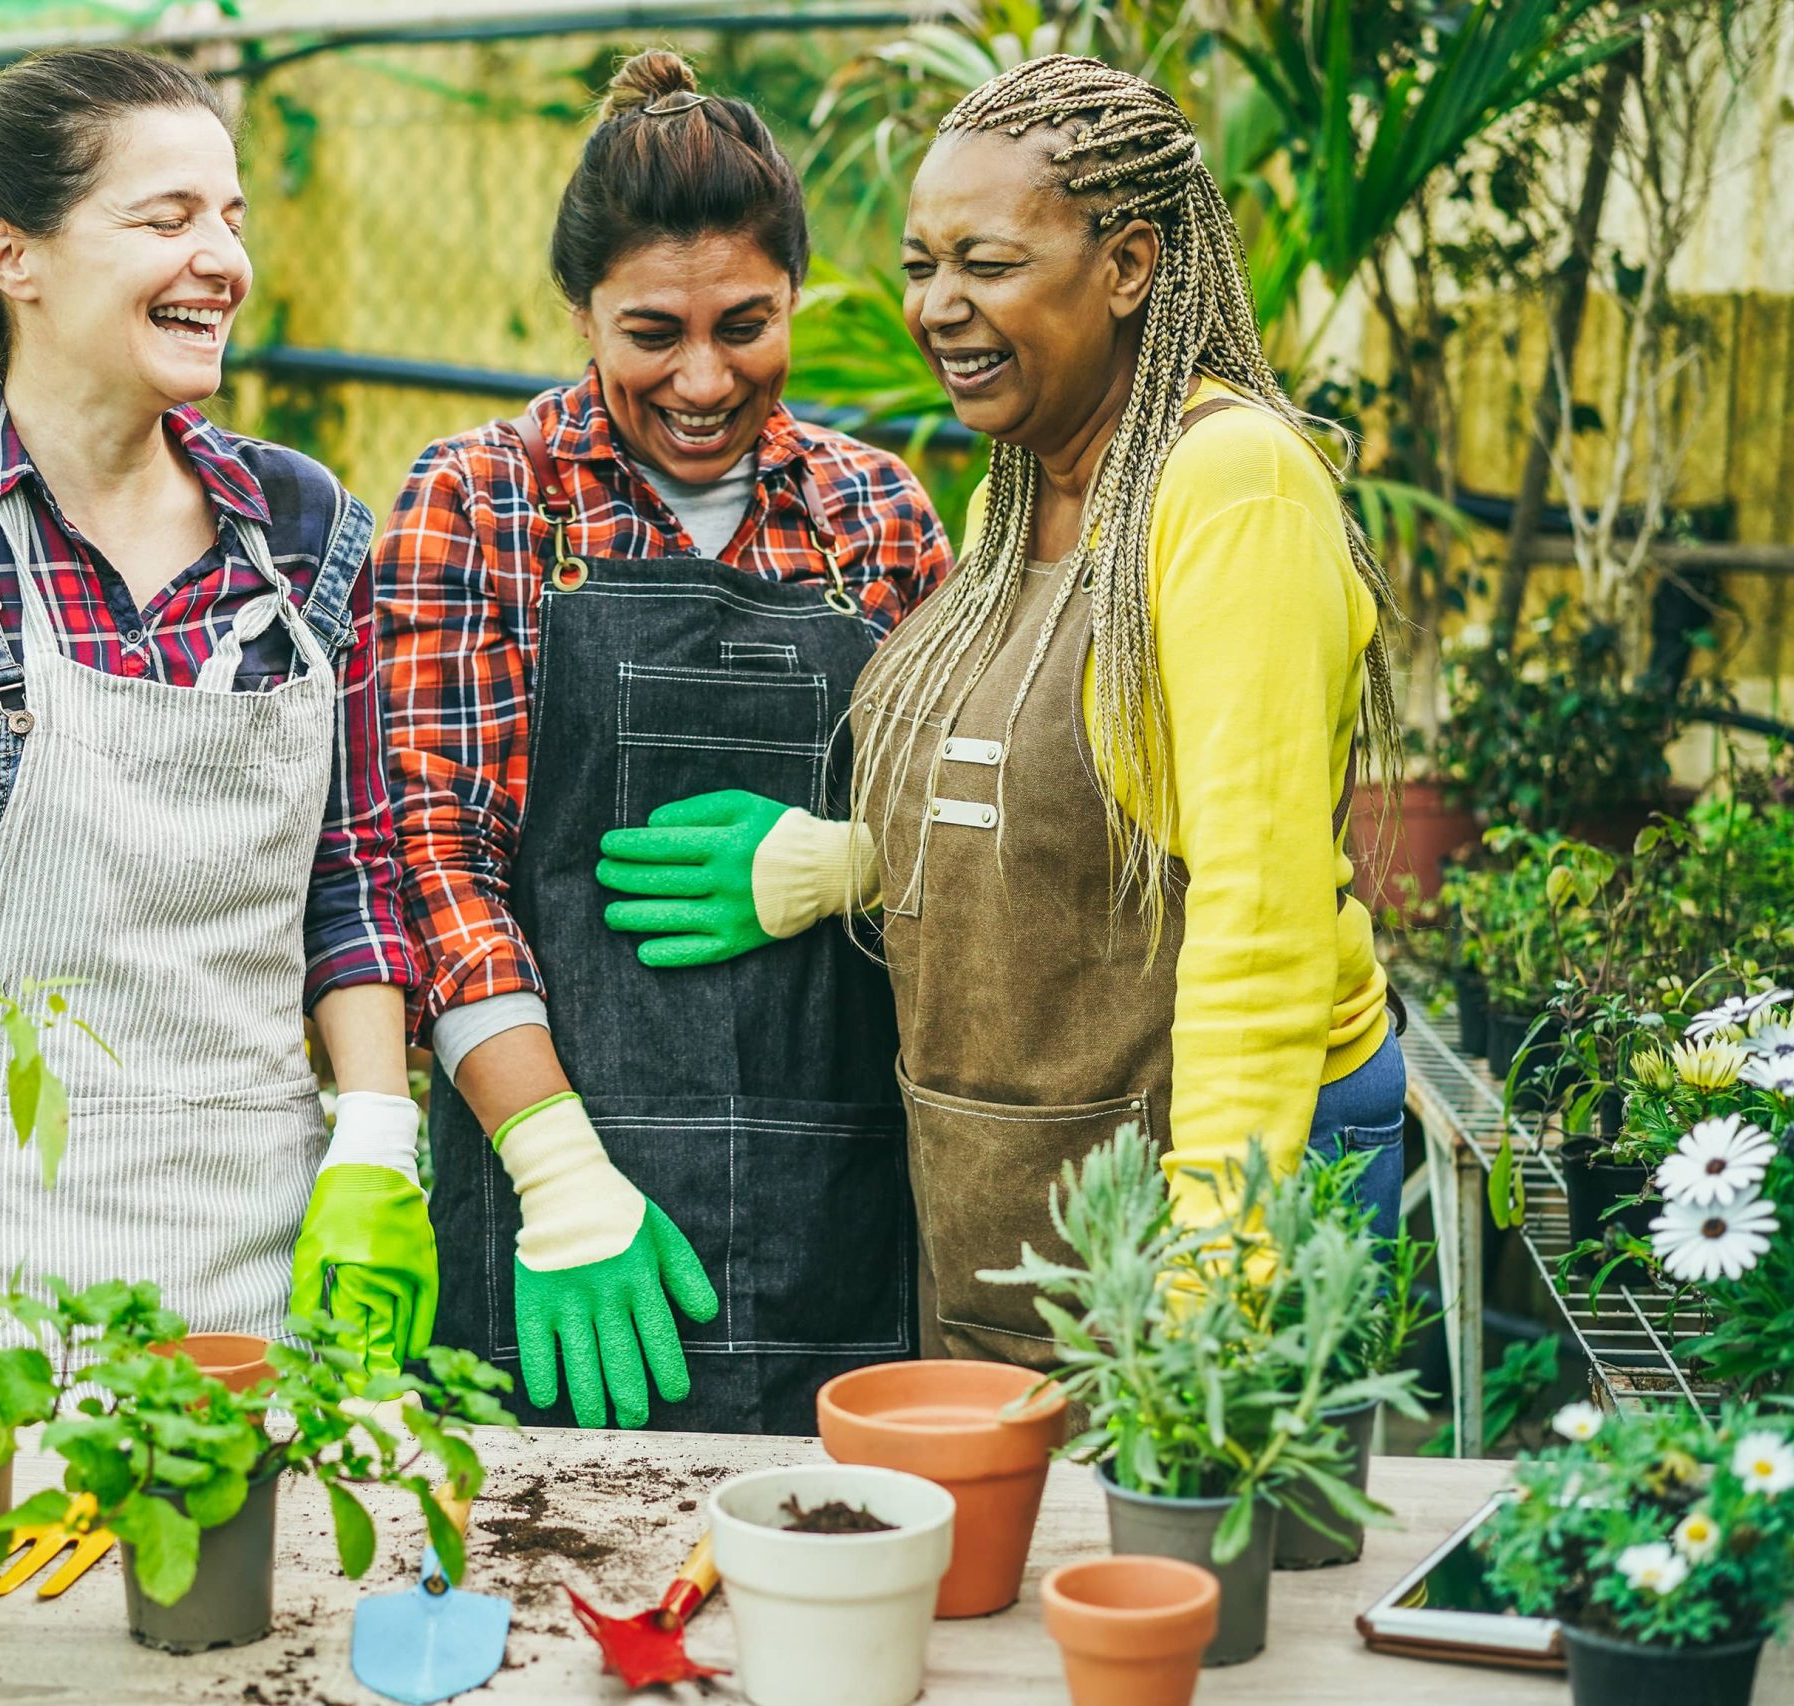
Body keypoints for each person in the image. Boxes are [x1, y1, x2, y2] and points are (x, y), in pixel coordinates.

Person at [0, 48, 435, 1370]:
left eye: (230, 217)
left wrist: (379, 1147)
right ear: (18, 255)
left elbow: (354, 879)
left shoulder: (304, 529)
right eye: (165, 218)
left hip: (272, 1288)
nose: (220, 258)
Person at [380, 51, 953, 1434]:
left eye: (747, 325)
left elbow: (978, 821)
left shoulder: (875, 513)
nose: (704, 379)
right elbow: (433, 860)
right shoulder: (482, 504)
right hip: (560, 1195)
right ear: (580, 312)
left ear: (797, 296)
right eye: (652, 335)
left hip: (837, 1200)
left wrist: (866, 859)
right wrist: (558, 1168)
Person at [810, 54, 1406, 1365]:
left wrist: (1221, 1262)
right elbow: (1053, 808)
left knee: (1225, 1571)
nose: (939, 306)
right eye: (921, 264)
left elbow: (1259, 904)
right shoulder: (1016, 497)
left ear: (1130, 264)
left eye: (988, 261)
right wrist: (852, 860)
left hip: (1219, 1165)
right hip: (1024, 1173)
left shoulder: (1230, 485)